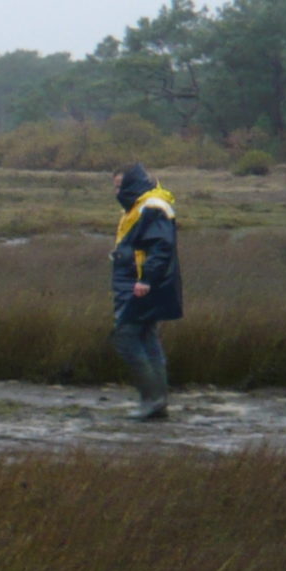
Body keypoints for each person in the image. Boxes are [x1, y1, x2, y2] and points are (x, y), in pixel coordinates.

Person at [109, 163, 183, 421]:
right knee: (147, 337)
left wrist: (146, 279)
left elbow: (161, 247)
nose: (117, 191)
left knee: (126, 337)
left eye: (121, 185)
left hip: (140, 284)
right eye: (115, 186)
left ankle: (152, 400)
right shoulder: (141, 205)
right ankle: (157, 403)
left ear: (133, 183)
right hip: (135, 282)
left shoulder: (152, 206)